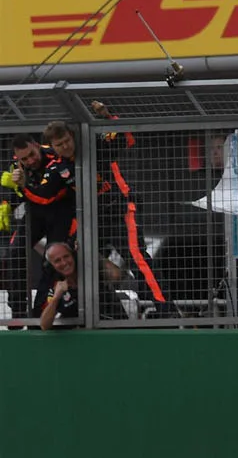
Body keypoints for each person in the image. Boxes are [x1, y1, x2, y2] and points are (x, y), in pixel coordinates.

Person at [45, 105, 167, 310]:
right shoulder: (55, 167)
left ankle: (163, 307)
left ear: (72, 137)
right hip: (91, 220)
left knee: (137, 257)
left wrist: (109, 117)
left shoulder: (94, 145)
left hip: (119, 211)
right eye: (59, 144)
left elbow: (126, 139)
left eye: (67, 141)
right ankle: (85, 309)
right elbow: (46, 196)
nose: (65, 146)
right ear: (52, 146)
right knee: (70, 257)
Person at [9, 134, 75, 296]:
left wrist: (24, 186)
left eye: (32, 154)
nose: (30, 161)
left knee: (51, 261)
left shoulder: (56, 156)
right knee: (15, 253)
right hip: (35, 213)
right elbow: (16, 193)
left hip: (61, 213)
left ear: (37, 145)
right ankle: (18, 306)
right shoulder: (16, 165)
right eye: (24, 159)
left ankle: (45, 303)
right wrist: (6, 205)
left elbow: (46, 196)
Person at [32, 241, 78, 330]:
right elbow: (44, 325)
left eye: (66, 256)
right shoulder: (53, 284)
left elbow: (111, 274)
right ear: (52, 265)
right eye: (57, 260)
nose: (64, 263)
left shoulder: (89, 270)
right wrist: (56, 298)